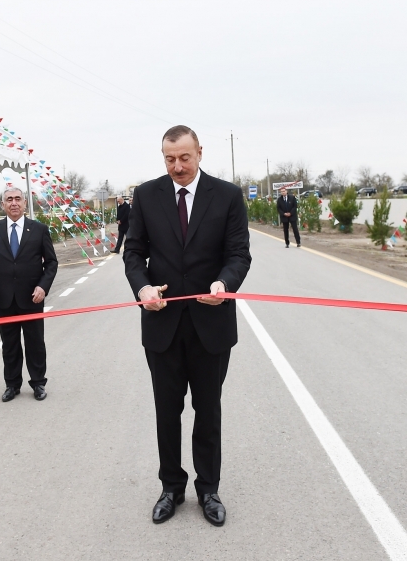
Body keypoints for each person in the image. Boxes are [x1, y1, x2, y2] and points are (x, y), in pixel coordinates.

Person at [123, 125, 252, 527]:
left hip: (210, 324)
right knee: (167, 410)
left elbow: (238, 254)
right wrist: (143, 287)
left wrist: (224, 284)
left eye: (184, 157)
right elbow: (134, 252)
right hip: (161, 323)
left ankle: (208, 489)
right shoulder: (146, 195)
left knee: (208, 409)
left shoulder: (228, 196)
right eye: (169, 158)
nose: (176, 166)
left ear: (199, 152)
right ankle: (171, 487)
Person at [0, 187, 59, 402]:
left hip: (32, 297)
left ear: (25, 203)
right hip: (3, 298)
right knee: (9, 345)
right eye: (9, 199)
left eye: (17, 199)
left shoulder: (39, 230)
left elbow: (51, 262)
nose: (13, 203)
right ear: (3, 204)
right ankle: (12, 385)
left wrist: (43, 286)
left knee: (35, 343)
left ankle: (38, 383)